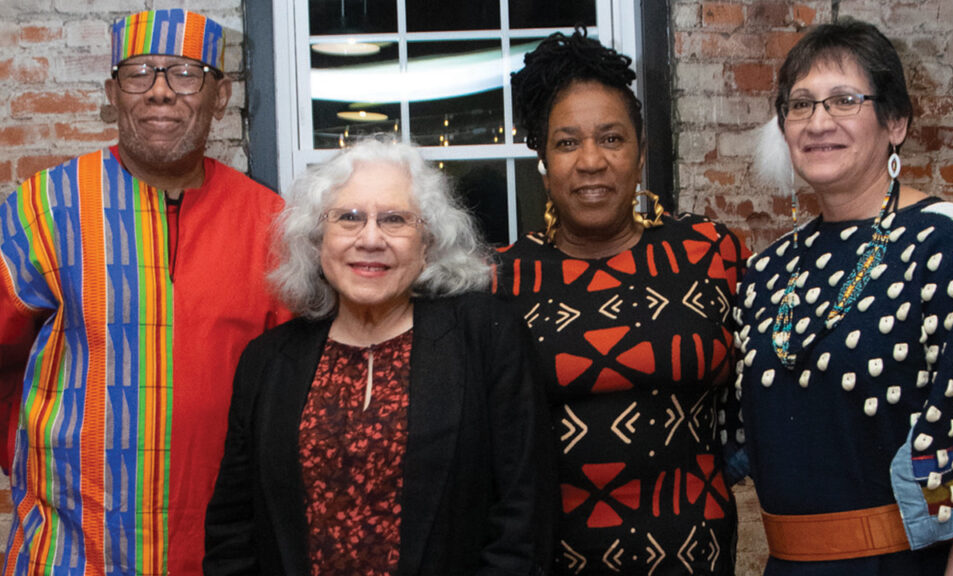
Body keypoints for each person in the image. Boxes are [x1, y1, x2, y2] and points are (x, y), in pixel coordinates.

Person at [726, 18, 953, 575]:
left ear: (896, 121)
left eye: (843, 101)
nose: (818, 122)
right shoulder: (768, 271)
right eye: (800, 105)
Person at [0, 9, 288, 575]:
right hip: (69, 551)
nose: (160, 93)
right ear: (113, 92)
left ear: (219, 95)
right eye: (138, 74)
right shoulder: (43, 208)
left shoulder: (270, 223)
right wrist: (35, 453)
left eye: (185, 73)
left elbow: (293, 392)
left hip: (220, 553)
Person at [203, 138, 552, 576]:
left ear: (427, 243)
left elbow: (523, 519)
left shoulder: (486, 337)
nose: (370, 239)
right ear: (317, 241)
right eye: (349, 218)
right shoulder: (268, 362)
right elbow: (233, 532)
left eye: (394, 220)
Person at [494, 29, 748, 575]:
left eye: (611, 139)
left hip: (695, 554)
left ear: (640, 150)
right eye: (567, 143)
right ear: (541, 157)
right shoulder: (503, 280)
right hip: (552, 558)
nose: (591, 161)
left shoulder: (708, 251)